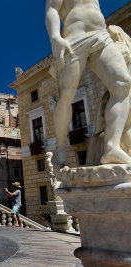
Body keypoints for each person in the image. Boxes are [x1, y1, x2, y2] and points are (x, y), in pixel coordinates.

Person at [46, 0, 131, 166]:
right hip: (74, 38)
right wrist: (55, 37)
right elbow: (52, 9)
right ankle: (61, 147)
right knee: (66, 94)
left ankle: (111, 147)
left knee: (122, 84)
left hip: (101, 35)